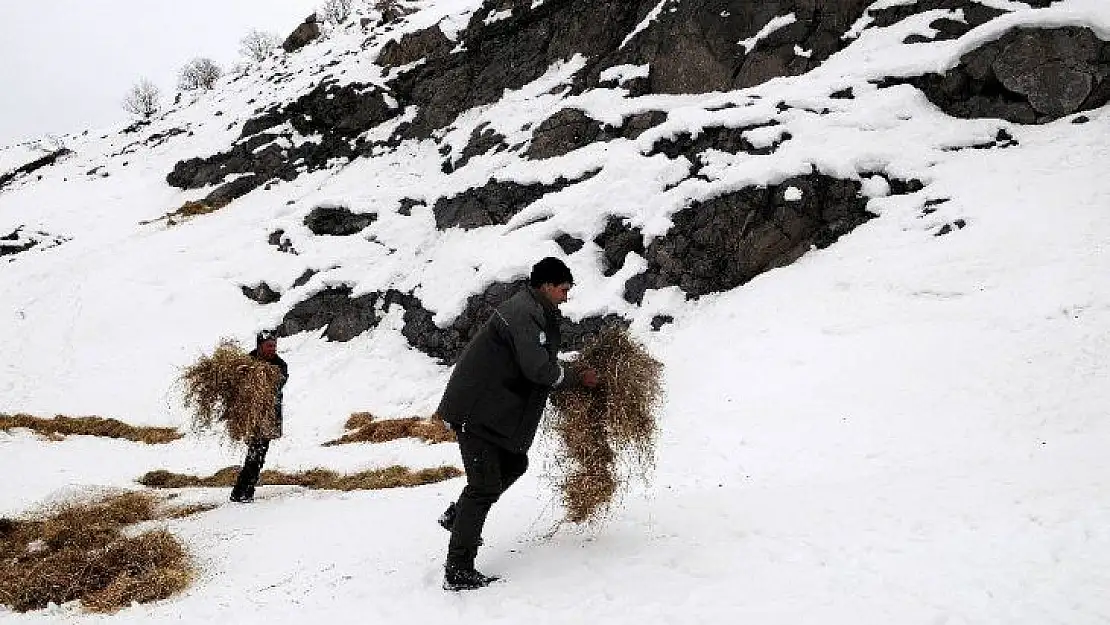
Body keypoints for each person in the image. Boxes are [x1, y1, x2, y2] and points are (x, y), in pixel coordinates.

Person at [436, 257, 600, 590]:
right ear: (546, 286)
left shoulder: (534, 310)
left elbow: (541, 360)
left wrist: (570, 371)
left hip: (490, 408)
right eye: (563, 290)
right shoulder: (524, 314)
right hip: (475, 410)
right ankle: (458, 570)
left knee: (514, 461)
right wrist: (577, 377)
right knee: (483, 487)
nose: (566, 297)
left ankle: (459, 516)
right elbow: (538, 369)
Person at [230, 330, 290, 503]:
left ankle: (243, 491)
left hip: (268, 417)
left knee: (257, 454)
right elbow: (237, 382)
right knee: (255, 454)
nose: (273, 349)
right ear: (260, 346)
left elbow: (277, 383)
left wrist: (258, 374)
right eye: (269, 345)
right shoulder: (247, 360)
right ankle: (243, 492)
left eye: (274, 346)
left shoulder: (279, 365)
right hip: (251, 416)